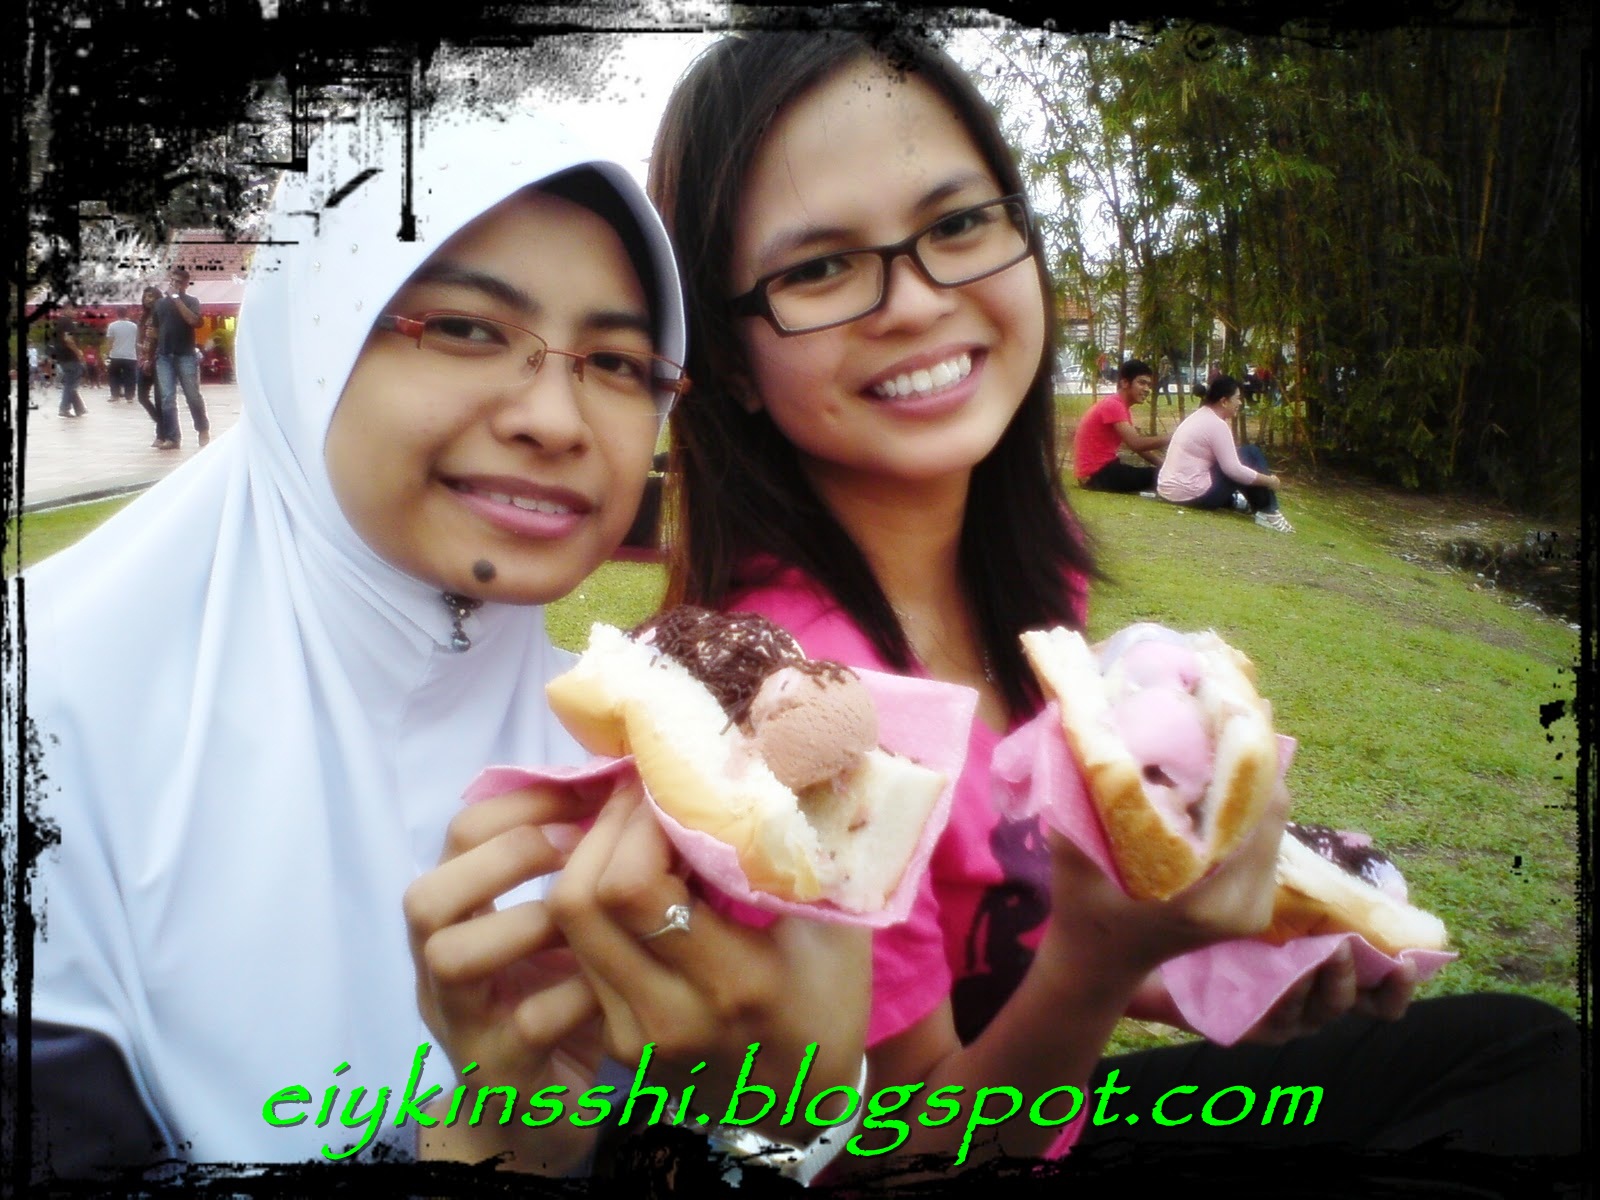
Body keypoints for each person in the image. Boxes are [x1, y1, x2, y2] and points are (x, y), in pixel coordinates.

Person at [647, 29, 1579, 1180]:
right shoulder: (794, 711)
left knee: (1525, 1054)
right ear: (730, 357)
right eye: (819, 269)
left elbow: (997, 941)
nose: (918, 301)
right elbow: (884, 1157)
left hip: (1053, 1092)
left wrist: (1195, 964)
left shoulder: (1025, 581)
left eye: (957, 223)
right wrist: (1097, 965)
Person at [6, 104, 867, 1182]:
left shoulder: (634, 766)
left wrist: (777, 1115)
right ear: (312, 340)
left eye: (616, 361)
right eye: (464, 328)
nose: (557, 419)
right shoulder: (41, 720)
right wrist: (479, 1153)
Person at [1157, 373, 1293, 532]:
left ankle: (1257, 506)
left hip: (1169, 491)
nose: (1240, 403)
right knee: (1250, 453)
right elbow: (1233, 470)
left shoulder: (1199, 416)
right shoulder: (1216, 424)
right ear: (1224, 401)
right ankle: (1268, 510)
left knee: (1241, 456)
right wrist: (1269, 481)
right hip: (1193, 495)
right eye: (1237, 398)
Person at [1072, 358, 1169, 493]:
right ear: (1124, 383)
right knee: (1163, 477)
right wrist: (1174, 437)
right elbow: (1137, 444)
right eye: (1142, 383)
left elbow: (1137, 447)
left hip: (1100, 472)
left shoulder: (1119, 406)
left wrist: (1163, 465)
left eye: (1149, 385)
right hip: (1097, 474)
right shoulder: (1114, 405)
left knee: (1163, 474)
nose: (1147, 389)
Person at [152, 265, 211, 448]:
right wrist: (149, 353)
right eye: (172, 281)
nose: (174, 284)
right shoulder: (160, 304)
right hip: (164, 356)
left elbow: (194, 321)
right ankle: (172, 437)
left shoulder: (192, 301)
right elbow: (155, 330)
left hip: (185, 354)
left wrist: (177, 299)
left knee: (192, 395)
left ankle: (202, 429)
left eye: (178, 282)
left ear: (186, 284)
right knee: (167, 398)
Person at [133, 285, 162, 430]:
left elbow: (167, 337)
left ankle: (162, 431)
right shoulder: (142, 317)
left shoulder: (162, 315)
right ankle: (161, 423)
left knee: (160, 398)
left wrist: (158, 335)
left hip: (158, 360)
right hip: (143, 360)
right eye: (145, 297)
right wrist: (141, 357)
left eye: (151, 296)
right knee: (142, 397)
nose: (147, 299)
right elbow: (139, 339)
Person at [104, 310, 139, 403]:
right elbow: (136, 340)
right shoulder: (134, 326)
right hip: (130, 355)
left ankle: (114, 395)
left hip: (115, 355)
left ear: (117, 314)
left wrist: (107, 353)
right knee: (130, 376)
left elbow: (110, 341)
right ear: (127, 313)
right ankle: (129, 396)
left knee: (114, 375)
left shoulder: (112, 325)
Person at [53, 320, 87, 417]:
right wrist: (78, 352)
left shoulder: (59, 324)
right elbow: (68, 339)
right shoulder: (68, 323)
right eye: (73, 311)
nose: (75, 312)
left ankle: (79, 408)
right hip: (71, 358)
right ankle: (64, 408)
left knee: (70, 383)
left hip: (62, 358)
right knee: (71, 385)